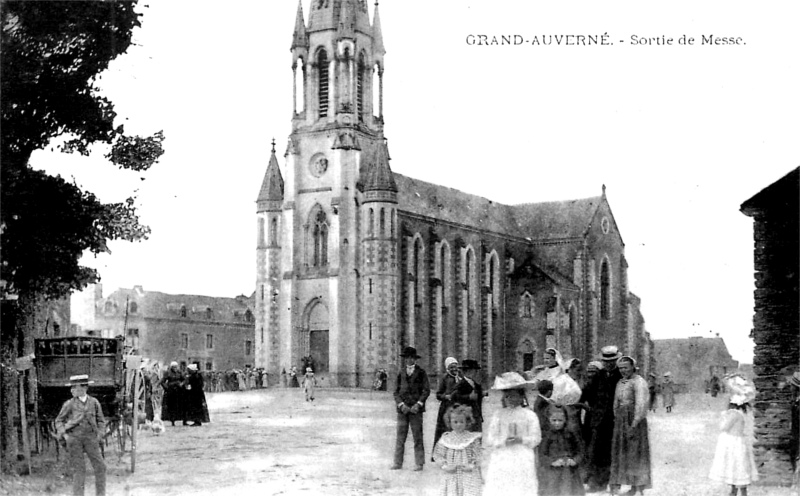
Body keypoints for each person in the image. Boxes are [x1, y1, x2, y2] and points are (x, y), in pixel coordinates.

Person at [483, 372, 542, 496]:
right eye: (507, 396)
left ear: (522, 397)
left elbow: (536, 438)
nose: (511, 399)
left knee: (521, 485)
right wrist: (503, 441)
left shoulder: (529, 415)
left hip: (522, 455)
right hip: (503, 455)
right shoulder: (499, 415)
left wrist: (521, 440)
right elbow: (490, 438)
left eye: (514, 396)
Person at [55, 374, 106, 496]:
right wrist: (65, 435)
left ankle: (101, 494)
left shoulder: (94, 402)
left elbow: (101, 421)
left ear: (84, 388)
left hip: (91, 439)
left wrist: (99, 435)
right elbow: (59, 421)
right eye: (72, 388)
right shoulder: (69, 404)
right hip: (74, 439)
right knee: (79, 470)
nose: (72, 390)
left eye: (75, 387)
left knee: (101, 467)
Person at [709, 373, 758, 495]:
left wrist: (722, 418)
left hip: (732, 444)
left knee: (735, 466)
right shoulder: (740, 413)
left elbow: (724, 427)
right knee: (738, 467)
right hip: (738, 442)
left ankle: (737, 491)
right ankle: (736, 490)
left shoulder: (733, 414)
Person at [609, 356, 652, 496]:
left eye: (626, 367)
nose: (623, 371)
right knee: (620, 452)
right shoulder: (620, 382)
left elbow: (641, 404)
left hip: (634, 421)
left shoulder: (639, 382)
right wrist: (618, 418)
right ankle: (617, 484)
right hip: (621, 421)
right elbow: (616, 402)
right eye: (621, 368)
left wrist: (634, 423)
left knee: (635, 452)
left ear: (633, 367)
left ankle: (637, 486)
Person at [583, 346, 623, 493]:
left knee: (614, 453)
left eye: (612, 361)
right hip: (599, 422)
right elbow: (586, 392)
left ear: (616, 360)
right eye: (606, 361)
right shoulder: (598, 376)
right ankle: (597, 484)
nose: (609, 364)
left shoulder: (621, 375)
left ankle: (614, 484)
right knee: (597, 453)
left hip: (615, 421)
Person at [391, 346, 431, 471]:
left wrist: (418, 404)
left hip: (415, 411)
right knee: (400, 437)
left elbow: (426, 390)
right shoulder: (401, 372)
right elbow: (395, 392)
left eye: (412, 358)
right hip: (402, 411)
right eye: (407, 358)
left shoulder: (421, 372)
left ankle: (419, 463)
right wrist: (401, 405)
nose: (409, 360)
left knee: (417, 437)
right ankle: (398, 463)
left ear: (415, 359)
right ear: (404, 359)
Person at [432, 405, 482, 496]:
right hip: (451, 472)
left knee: (469, 491)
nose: (458, 424)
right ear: (449, 422)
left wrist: (471, 465)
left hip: (467, 473)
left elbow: (478, 454)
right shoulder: (446, 438)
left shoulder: (471, 439)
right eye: (455, 422)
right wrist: (445, 466)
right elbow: (438, 454)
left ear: (467, 422)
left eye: (461, 422)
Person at [539, 404, 585, 496]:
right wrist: (552, 462)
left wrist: (574, 460)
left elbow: (580, 451)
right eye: (554, 420)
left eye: (560, 420)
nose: (557, 423)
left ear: (565, 420)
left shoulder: (571, 434)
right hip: (552, 472)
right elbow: (542, 455)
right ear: (549, 419)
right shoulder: (547, 435)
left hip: (570, 471)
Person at [434, 357, 462, 450]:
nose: (454, 369)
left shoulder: (461, 378)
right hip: (446, 409)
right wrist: (445, 396)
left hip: (458, 408)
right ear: (447, 368)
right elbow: (438, 394)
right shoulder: (445, 378)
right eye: (451, 367)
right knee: (446, 432)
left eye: (455, 367)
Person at [452, 359, 484, 432]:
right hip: (465, 418)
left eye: (476, 371)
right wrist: (468, 397)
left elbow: (479, 403)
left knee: (477, 438)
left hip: (476, 417)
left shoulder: (477, 386)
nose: (475, 373)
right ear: (466, 371)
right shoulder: (460, 385)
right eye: (473, 370)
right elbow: (454, 397)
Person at [160, 361, 187, 426]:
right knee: (172, 406)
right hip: (171, 392)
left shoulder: (180, 372)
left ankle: (183, 420)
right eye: (173, 367)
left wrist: (181, 384)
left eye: (176, 367)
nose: (175, 368)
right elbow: (162, 381)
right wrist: (167, 388)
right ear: (171, 367)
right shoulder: (168, 373)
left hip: (179, 392)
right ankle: (172, 420)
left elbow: (184, 379)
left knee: (181, 406)